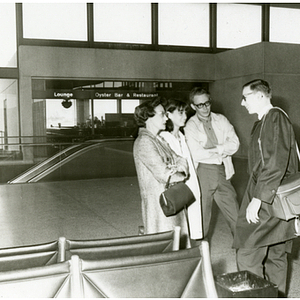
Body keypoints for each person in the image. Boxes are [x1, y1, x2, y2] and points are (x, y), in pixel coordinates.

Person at [233, 79, 299, 297]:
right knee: (276, 254)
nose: (242, 103)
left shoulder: (275, 117)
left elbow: (276, 161)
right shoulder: (265, 120)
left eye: (246, 97)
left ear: (261, 96)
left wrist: (258, 199)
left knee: (248, 254)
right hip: (276, 198)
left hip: (269, 198)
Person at [133, 97, 191, 247]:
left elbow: (182, 160)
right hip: (160, 206)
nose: (166, 118)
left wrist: (176, 169)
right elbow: (165, 174)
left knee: (176, 242)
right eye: (162, 114)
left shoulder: (159, 140)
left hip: (171, 199)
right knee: (164, 246)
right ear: (148, 118)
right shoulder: (145, 142)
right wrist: (175, 170)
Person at [184, 88, 240, 238]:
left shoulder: (221, 119)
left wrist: (214, 149)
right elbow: (196, 153)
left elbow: (235, 144)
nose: (205, 108)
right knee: (202, 217)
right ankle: (198, 256)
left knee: (235, 213)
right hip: (203, 171)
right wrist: (222, 149)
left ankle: (246, 256)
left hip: (222, 170)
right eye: (200, 105)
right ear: (193, 106)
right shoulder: (190, 126)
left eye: (207, 103)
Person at [159, 98, 203, 242]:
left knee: (193, 217)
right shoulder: (163, 138)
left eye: (185, 112)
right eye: (180, 112)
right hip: (177, 185)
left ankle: (192, 243)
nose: (185, 116)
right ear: (169, 115)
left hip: (191, 181)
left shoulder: (182, 136)